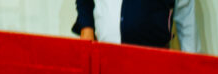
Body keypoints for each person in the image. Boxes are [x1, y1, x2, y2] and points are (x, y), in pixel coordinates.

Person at [72, 0, 201, 54]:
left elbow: (186, 15)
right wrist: (86, 28)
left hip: (154, 63)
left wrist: (193, 69)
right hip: (105, 56)